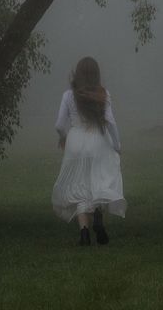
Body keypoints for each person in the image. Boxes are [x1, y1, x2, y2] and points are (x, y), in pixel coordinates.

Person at [51, 56, 126, 246]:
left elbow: (59, 124)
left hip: (75, 142)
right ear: (96, 75)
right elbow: (110, 122)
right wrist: (117, 145)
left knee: (80, 185)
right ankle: (98, 215)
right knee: (99, 179)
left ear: (78, 74)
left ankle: (84, 233)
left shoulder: (68, 96)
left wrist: (64, 137)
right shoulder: (103, 94)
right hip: (98, 140)